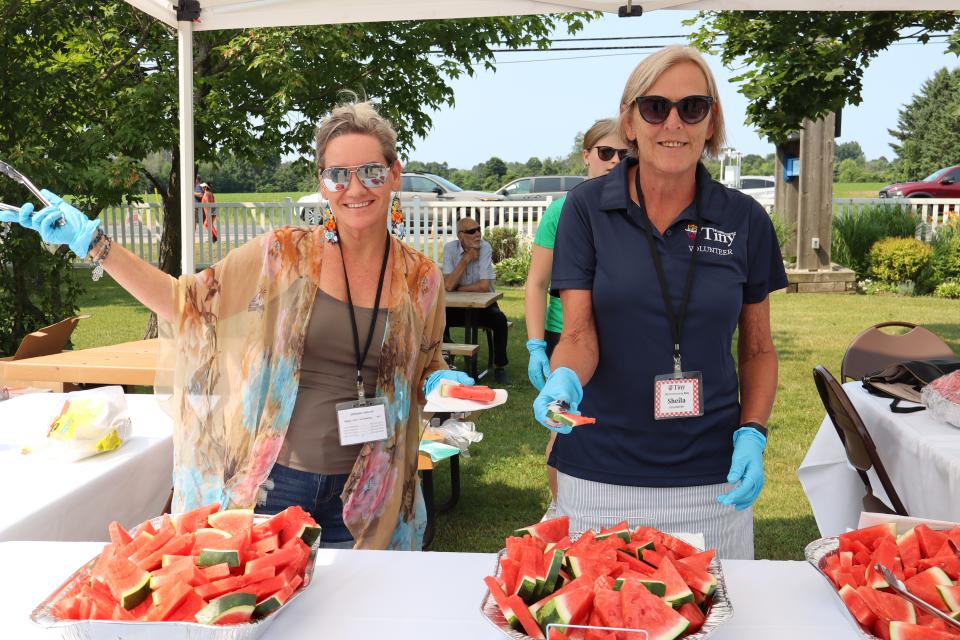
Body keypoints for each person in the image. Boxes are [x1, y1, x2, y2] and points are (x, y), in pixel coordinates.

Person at [0, 100, 473, 551]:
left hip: (373, 487)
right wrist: (96, 244)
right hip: (278, 479)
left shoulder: (420, 277)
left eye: (370, 171)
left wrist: (440, 377)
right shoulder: (283, 255)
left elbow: (427, 356)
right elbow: (183, 301)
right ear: (323, 184)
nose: (355, 189)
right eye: (338, 175)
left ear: (393, 174)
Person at [533, 46, 788, 559]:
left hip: (712, 480)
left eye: (692, 107)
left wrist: (753, 433)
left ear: (711, 123)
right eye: (655, 107)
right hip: (600, 474)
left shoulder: (744, 220)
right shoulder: (586, 209)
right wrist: (564, 377)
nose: (673, 122)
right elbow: (580, 334)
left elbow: (758, 349)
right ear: (630, 122)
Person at [525, 117, 628, 518]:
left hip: (617, 338)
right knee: (563, 429)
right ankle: (561, 510)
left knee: (606, 428)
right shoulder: (563, 210)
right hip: (563, 335)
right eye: (606, 153)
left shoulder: (635, 207)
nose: (615, 162)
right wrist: (536, 346)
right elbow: (536, 283)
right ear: (586, 156)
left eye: (625, 154)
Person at [442, 217, 512, 385]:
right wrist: (466, 259)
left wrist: (458, 288)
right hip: (457, 307)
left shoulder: (485, 247)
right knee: (438, 316)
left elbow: (483, 286)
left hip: (483, 305)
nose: (478, 234)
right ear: (460, 236)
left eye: (479, 229)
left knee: (500, 320)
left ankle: (499, 366)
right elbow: (448, 284)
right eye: (472, 231)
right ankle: (446, 356)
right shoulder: (450, 249)